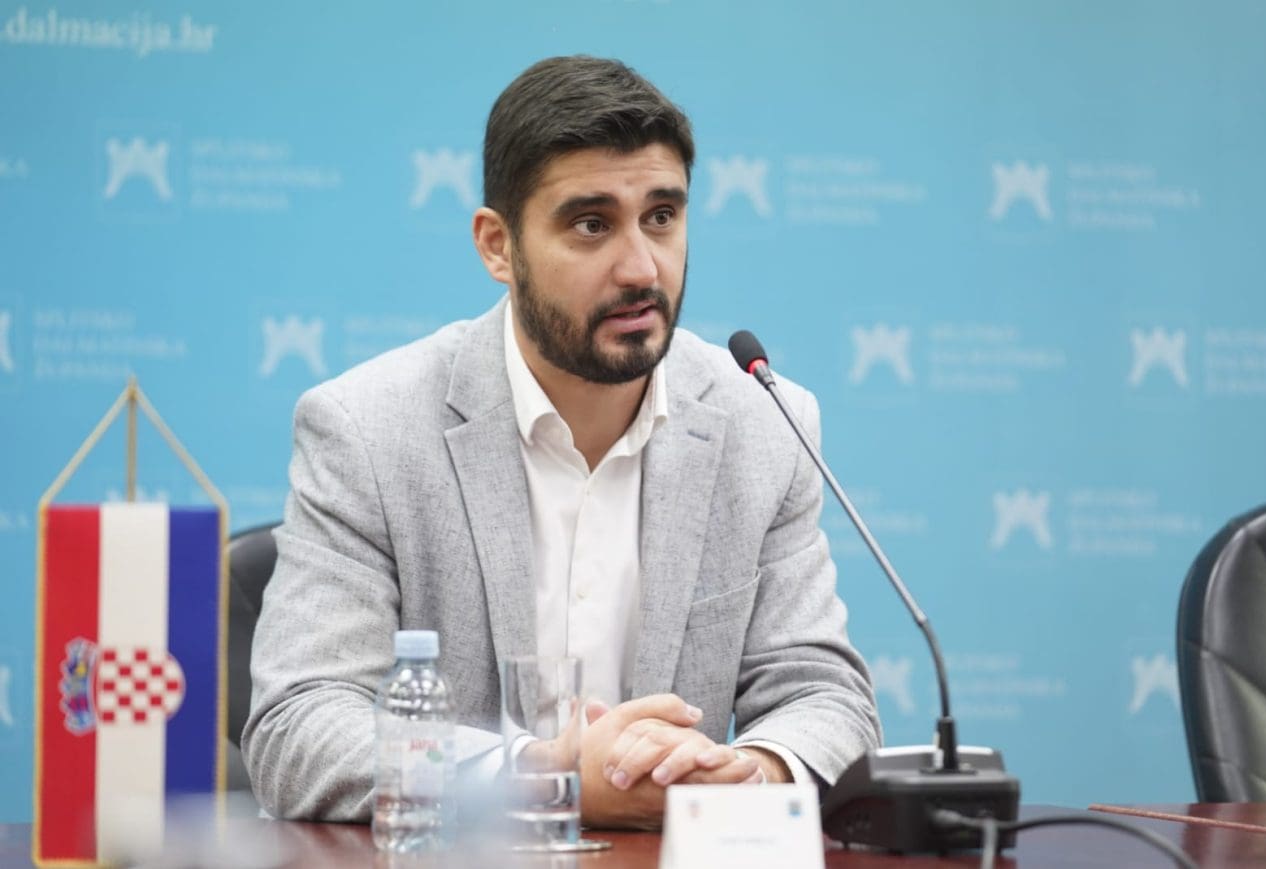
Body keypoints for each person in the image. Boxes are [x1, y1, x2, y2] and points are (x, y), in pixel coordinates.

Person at [244, 55, 881, 829]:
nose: (640, 268)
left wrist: (742, 776)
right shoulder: (368, 430)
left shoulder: (763, 424)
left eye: (661, 217)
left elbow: (824, 697)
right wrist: (542, 777)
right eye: (591, 224)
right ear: (498, 246)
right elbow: (300, 725)